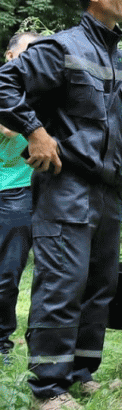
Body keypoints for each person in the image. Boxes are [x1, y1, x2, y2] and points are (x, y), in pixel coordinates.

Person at [0, 0, 122, 410]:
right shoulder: (61, 48)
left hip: (108, 193)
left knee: (98, 286)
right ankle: (47, 389)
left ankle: (80, 374)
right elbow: (5, 84)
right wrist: (34, 131)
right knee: (62, 285)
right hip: (65, 187)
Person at [0, 31, 40, 361]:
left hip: (25, 193)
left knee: (9, 275)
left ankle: (4, 344)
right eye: (28, 51)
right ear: (10, 56)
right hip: (6, 192)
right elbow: (10, 128)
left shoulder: (39, 92)